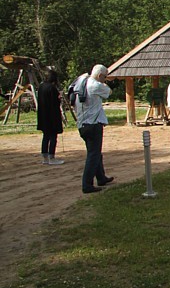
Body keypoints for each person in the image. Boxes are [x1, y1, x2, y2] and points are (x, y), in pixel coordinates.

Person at [74, 64, 115, 194]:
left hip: (82, 123)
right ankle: (87, 184)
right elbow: (109, 92)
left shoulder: (81, 82)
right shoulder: (95, 85)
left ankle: (101, 177)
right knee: (93, 154)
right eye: (104, 77)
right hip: (93, 123)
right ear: (99, 75)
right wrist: (104, 84)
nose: (105, 79)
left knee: (95, 152)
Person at [37, 69, 65, 165]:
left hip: (43, 115)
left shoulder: (41, 87)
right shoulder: (52, 88)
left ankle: (45, 157)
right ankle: (52, 157)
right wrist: (59, 98)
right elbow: (55, 103)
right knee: (53, 137)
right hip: (52, 116)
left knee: (45, 136)